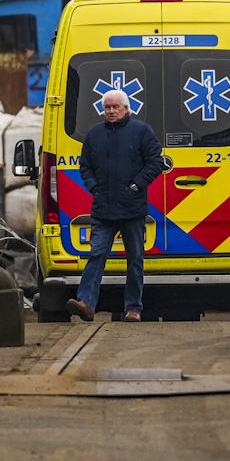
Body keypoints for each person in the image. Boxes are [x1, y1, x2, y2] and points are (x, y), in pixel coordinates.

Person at [69, 87, 164, 322]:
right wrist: (94, 187)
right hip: (103, 209)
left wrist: (136, 186)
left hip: (132, 209)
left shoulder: (141, 131)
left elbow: (155, 163)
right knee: (96, 254)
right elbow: (85, 166)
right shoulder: (94, 134)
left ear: (126, 109)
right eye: (107, 107)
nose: (111, 111)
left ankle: (133, 308)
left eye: (115, 107)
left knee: (134, 260)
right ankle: (86, 303)